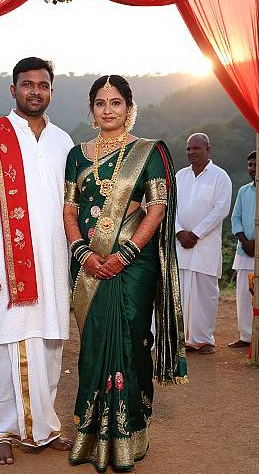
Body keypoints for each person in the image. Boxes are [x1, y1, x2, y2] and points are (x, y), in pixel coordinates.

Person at [64, 75, 187, 472]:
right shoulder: (76, 155)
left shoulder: (148, 152)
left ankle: (132, 430)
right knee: (95, 342)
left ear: (129, 108)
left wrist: (129, 251)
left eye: (115, 102)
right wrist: (82, 251)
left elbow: (157, 208)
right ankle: (91, 434)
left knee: (132, 338)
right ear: (91, 110)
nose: (108, 110)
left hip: (134, 264)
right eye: (100, 103)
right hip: (89, 265)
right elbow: (70, 210)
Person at [0, 57, 74, 465]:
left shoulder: (63, 141)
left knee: (50, 344)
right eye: (28, 84)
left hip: (54, 264)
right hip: (5, 267)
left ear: (51, 92)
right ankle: (2, 432)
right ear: (13, 89)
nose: (35, 92)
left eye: (43, 85)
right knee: (4, 346)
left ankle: (44, 426)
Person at [175, 133, 232, 355]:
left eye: (196, 148)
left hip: (205, 246)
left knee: (205, 294)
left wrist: (196, 234)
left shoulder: (220, 177)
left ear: (208, 149)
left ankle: (204, 339)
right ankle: (182, 339)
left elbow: (221, 210)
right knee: (181, 292)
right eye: (188, 149)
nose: (191, 153)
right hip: (181, 244)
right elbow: (170, 207)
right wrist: (179, 231)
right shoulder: (180, 176)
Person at [229, 151, 257, 348]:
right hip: (244, 251)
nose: (252, 169)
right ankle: (246, 336)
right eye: (250, 165)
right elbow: (235, 218)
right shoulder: (243, 191)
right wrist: (245, 241)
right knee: (244, 295)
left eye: (256, 164)